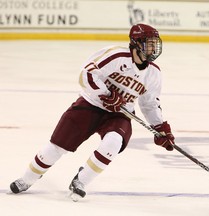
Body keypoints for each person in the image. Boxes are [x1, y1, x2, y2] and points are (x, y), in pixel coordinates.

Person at [10, 23, 175, 201]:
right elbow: (86, 74)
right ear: (136, 43)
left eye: (154, 44)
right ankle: (27, 178)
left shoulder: (154, 74)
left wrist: (160, 128)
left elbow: (149, 103)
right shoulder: (116, 56)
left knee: (113, 142)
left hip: (120, 113)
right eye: (149, 43)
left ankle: (80, 181)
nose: (153, 48)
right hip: (90, 105)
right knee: (56, 148)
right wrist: (106, 94)